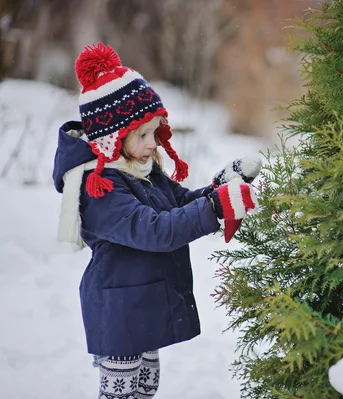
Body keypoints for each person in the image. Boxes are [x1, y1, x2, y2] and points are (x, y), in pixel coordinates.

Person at [52, 43, 261, 399]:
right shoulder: (99, 185)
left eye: (155, 132)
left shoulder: (140, 168)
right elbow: (154, 229)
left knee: (146, 389)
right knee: (121, 394)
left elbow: (178, 204)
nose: (153, 144)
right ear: (113, 137)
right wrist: (214, 208)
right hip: (119, 310)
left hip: (142, 304)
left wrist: (218, 190)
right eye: (143, 135)